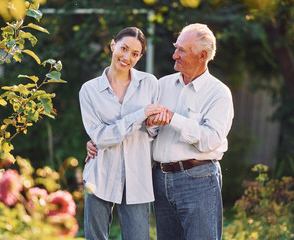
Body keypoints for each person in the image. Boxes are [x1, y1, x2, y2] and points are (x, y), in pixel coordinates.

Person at [87, 23, 234, 240]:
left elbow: (211, 139)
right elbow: (145, 129)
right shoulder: (161, 85)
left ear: (202, 55)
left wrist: (174, 119)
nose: (174, 55)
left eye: (182, 50)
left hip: (198, 179)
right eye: (176, 47)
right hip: (160, 179)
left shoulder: (218, 93)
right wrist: (97, 141)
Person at [79, 27, 167, 240]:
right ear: (113, 45)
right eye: (124, 48)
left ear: (140, 57)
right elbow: (100, 137)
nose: (127, 57)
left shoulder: (150, 83)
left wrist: (153, 122)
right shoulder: (89, 90)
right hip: (100, 174)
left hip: (138, 176)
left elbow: (153, 132)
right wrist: (139, 116)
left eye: (135, 54)